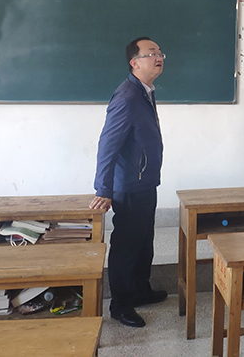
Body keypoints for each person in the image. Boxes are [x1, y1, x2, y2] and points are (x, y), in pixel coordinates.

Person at [89, 36, 167, 327]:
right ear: (134, 62)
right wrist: (104, 189)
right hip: (130, 185)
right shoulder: (127, 96)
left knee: (144, 241)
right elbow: (107, 145)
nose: (158, 57)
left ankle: (140, 291)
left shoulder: (144, 91)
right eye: (151, 53)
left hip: (144, 181)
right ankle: (121, 305)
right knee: (127, 245)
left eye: (160, 53)